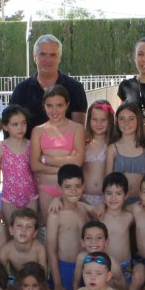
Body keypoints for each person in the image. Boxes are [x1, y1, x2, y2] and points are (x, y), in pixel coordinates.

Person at [9, 34, 88, 132]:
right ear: (34, 56)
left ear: (59, 58)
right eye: (43, 54)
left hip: (65, 147)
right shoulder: (21, 90)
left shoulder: (75, 89)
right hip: (29, 147)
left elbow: (78, 130)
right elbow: (10, 127)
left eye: (52, 55)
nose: (47, 60)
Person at [31, 85, 86, 217]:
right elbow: (35, 165)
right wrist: (66, 167)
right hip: (46, 188)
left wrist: (47, 160)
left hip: (71, 189)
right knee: (49, 227)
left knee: (70, 228)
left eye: (59, 105)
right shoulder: (38, 131)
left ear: (67, 105)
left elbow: (78, 162)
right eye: (49, 106)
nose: (54, 110)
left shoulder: (77, 129)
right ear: (44, 106)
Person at [46, 164, 90, 290]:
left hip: (85, 266)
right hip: (65, 267)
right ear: (59, 188)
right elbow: (51, 251)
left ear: (83, 186)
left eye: (77, 186)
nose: (73, 191)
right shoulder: (55, 215)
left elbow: (101, 209)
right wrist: (58, 283)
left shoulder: (84, 208)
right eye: (68, 187)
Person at [106, 101, 145, 205]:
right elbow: (108, 181)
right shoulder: (112, 148)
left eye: (131, 119)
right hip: (118, 203)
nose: (126, 123)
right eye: (122, 119)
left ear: (138, 120)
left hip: (144, 202)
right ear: (117, 121)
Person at [0, 105, 38, 223]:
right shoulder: (0, 147)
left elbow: (36, 173)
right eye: (15, 124)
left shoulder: (31, 145)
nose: (20, 127)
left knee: (30, 231)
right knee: (11, 232)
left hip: (31, 196)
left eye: (23, 123)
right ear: (5, 126)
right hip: (9, 198)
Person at [83, 100, 117, 208]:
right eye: (94, 120)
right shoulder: (83, 143)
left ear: (110, 121)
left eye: (103, 120)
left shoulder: (114, 144)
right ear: (89, 120)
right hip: (83, 198)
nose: (99, 124)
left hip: (107, 199)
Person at [0, 208, 48, 279]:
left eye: (29, 226)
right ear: (11, 230)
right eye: (19, 225)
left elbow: (44, 276)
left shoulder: (39, 249)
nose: (23, 230)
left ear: (35, 233)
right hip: (16, 281)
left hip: (35, 282)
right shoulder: (6, 250)